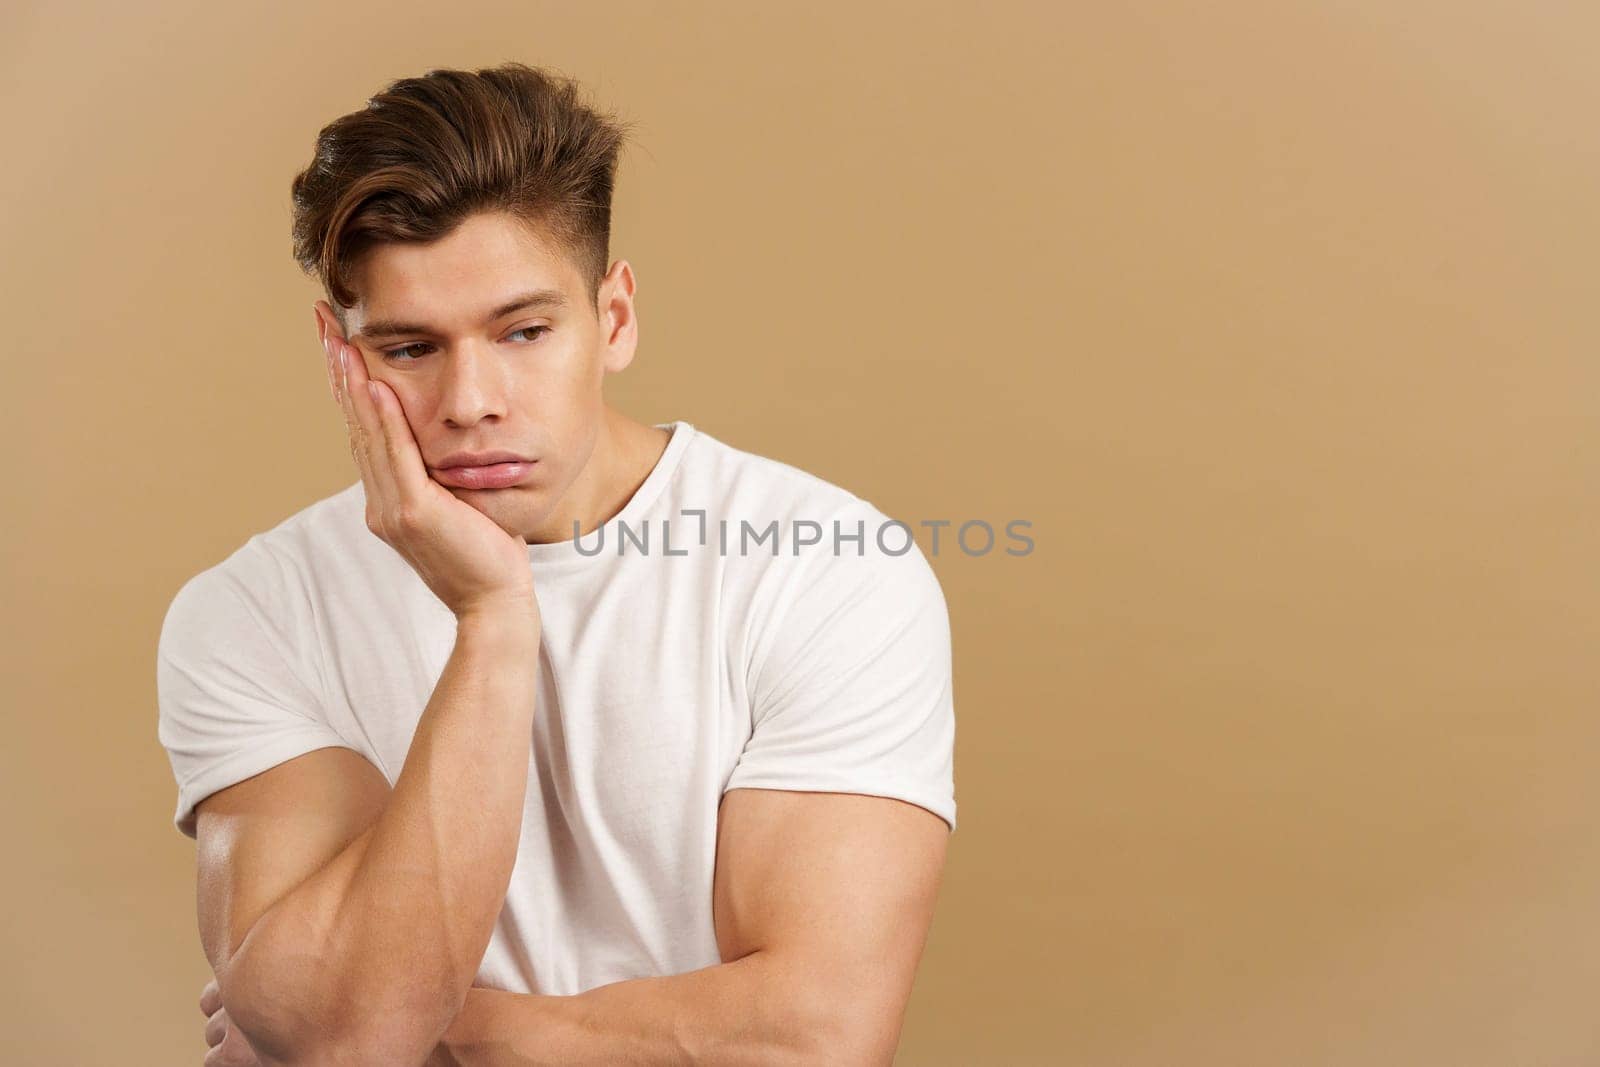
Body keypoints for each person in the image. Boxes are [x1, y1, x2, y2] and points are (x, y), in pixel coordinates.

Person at [158, 61, 956, 1066]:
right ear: (339, 353)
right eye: (408, 348)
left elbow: (816, 1037)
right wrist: (494, 620)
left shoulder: (824, 568)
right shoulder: (252, 612)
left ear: (613, 318)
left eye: (523, 331)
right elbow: (350, 1039)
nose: (471, 400)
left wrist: (443, 1029)